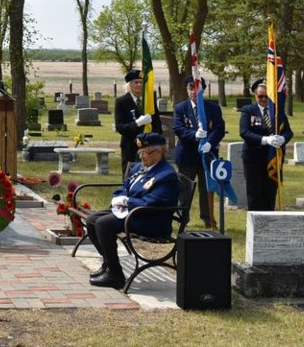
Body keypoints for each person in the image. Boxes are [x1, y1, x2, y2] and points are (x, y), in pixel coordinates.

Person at [85, 132, 181, 289]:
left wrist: (127, 202)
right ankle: (108, 264)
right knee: (92, 220)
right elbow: (124, 187)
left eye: (146, 153)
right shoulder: (140, 167)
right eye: (140, 152)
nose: (142, 157)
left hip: (150, 220)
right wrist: (119, 198)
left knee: (103, 224)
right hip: (133, 213)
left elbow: (152, 203)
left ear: (159, 152)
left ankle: (115, 275)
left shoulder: (166, 175)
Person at [172, 76, 225, 227]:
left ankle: (208, 218)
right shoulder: (180, 108)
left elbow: (219, 128)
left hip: (207, 155)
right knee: (184, 189)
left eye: (197, 88)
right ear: (187, 90)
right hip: (186, 155)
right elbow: (177, 128)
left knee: (207, 187)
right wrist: (193, 135)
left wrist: (210, 142)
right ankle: (183, 218)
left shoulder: (213, 108)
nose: (194, 92)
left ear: (203, 90)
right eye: (191, 88)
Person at [240, 78, 293, 211]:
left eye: (266, 96)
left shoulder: (277, 112)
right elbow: (244, 132)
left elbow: (288, 132)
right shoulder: (248, 110)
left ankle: (269, 219)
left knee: (270, 192)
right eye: (260, 96)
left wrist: (282, 139)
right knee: (254, 192)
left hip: (273, 157)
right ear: (255, 95)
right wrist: (265, 139)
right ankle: (254, 221)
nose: (263, 99)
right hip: (254, 157)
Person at [114, 69, 163, 176]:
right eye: (135, 82)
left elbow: (157, 125)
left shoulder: (149, 102)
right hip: (130, 148)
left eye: (141, 82)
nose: (139, 85)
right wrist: (137, 123)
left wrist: (153, 141)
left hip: (149, 148)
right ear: (129, 85)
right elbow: (120, 127)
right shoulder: (121, 102)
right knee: (129, 178)